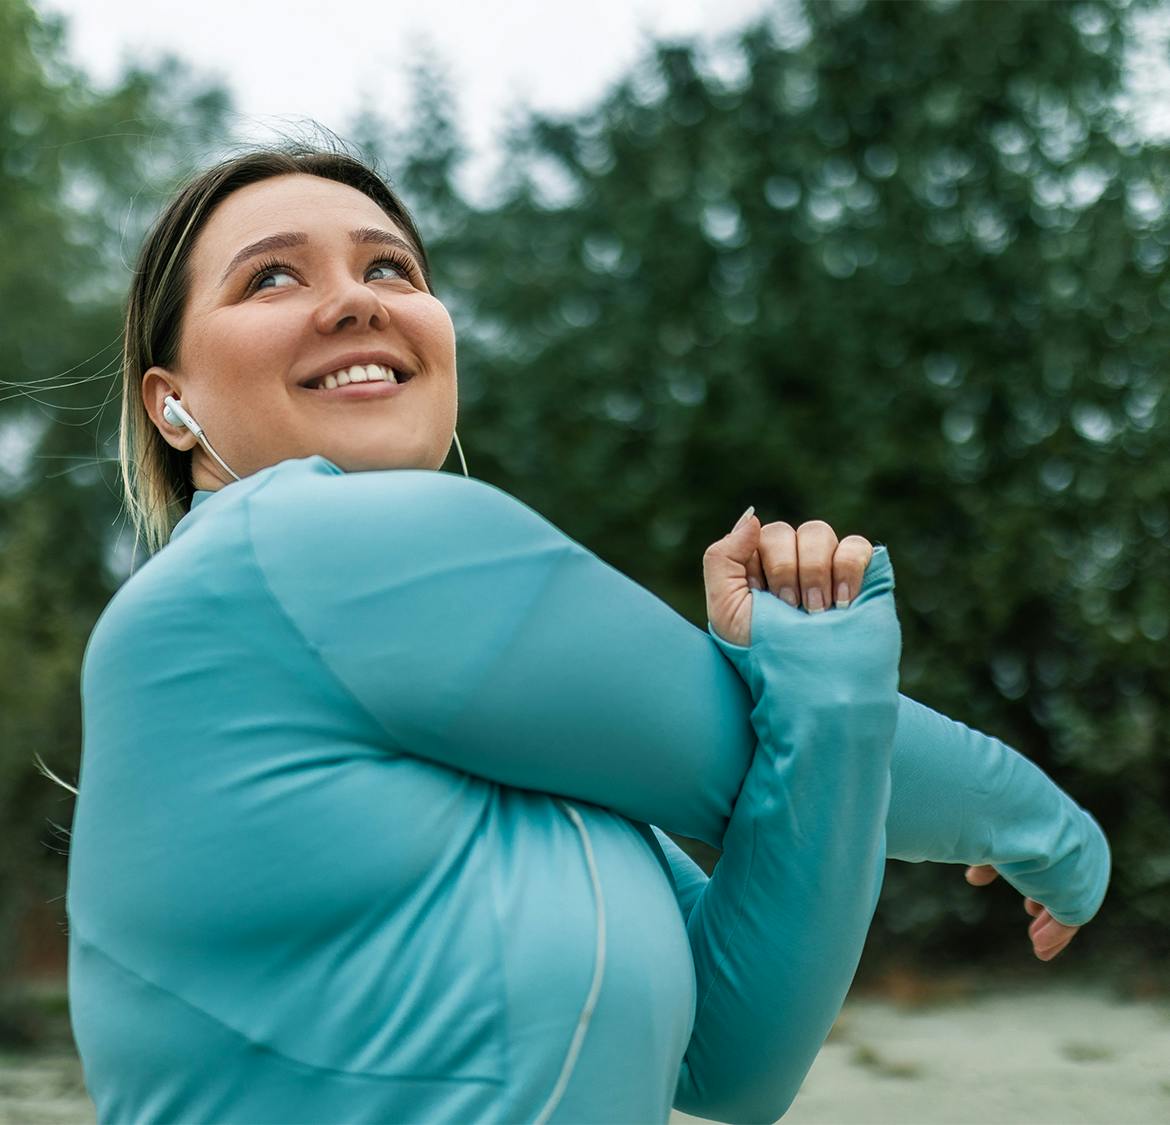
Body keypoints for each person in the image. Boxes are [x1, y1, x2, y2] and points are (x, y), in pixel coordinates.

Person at [65, 145, 1110, 1125]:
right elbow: (756, 758)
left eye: (390, 267)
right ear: (172, 406)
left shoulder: (495, 724)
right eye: (272, 280)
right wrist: (1056, 835)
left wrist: (823, 675)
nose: (354, 300)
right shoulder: (285, 548)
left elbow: (734, 1060)